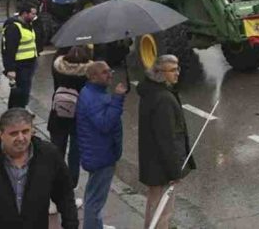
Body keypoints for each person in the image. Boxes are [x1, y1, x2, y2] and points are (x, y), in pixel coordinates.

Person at [0, 108, 78, 228]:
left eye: (25, 131)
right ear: (1, 134)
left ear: (32, 131)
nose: (21, 138)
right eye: (13, 133)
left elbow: (64, 194)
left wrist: (71, 224)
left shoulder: (49, 156)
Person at [138, 55, 195, 229]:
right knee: (163, 212)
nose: (177, 73)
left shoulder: (150, 90)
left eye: (178, 68)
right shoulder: (163, 98)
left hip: (153, 162)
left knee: (154, 205)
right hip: (162, 167)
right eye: (173, 70)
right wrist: (174, 172)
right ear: (160, 73)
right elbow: (166, 138)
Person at [76, 61, 126, 229]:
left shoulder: (94, 92)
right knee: (95, 201)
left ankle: (96, 225)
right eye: (105, 72)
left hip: (99, 152)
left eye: (110, 70)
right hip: (101, 155)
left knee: (94, 196)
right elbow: (104, 124)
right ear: (93, 77)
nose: (110, 74)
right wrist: (117, 99)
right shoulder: (92, 96)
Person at [47, 45, 91, 207]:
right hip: (78, 117)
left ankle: (53, 197)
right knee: (75, 155)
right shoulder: (87, 72)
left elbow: (57, 57)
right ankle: (70, 191)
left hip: (58, 114)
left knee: (56, 153)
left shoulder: (57, 67)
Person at [1, 1, 38, 109]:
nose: (35, 16)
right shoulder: (14, 27)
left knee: (24, 90)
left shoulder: (28, 24)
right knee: (19, 92)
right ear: (25, 13)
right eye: (33, 14)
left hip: (29, 63)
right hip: (20, 65)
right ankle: (15, 111)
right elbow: (9, 50)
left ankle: (21, 109)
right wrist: (10, 69)